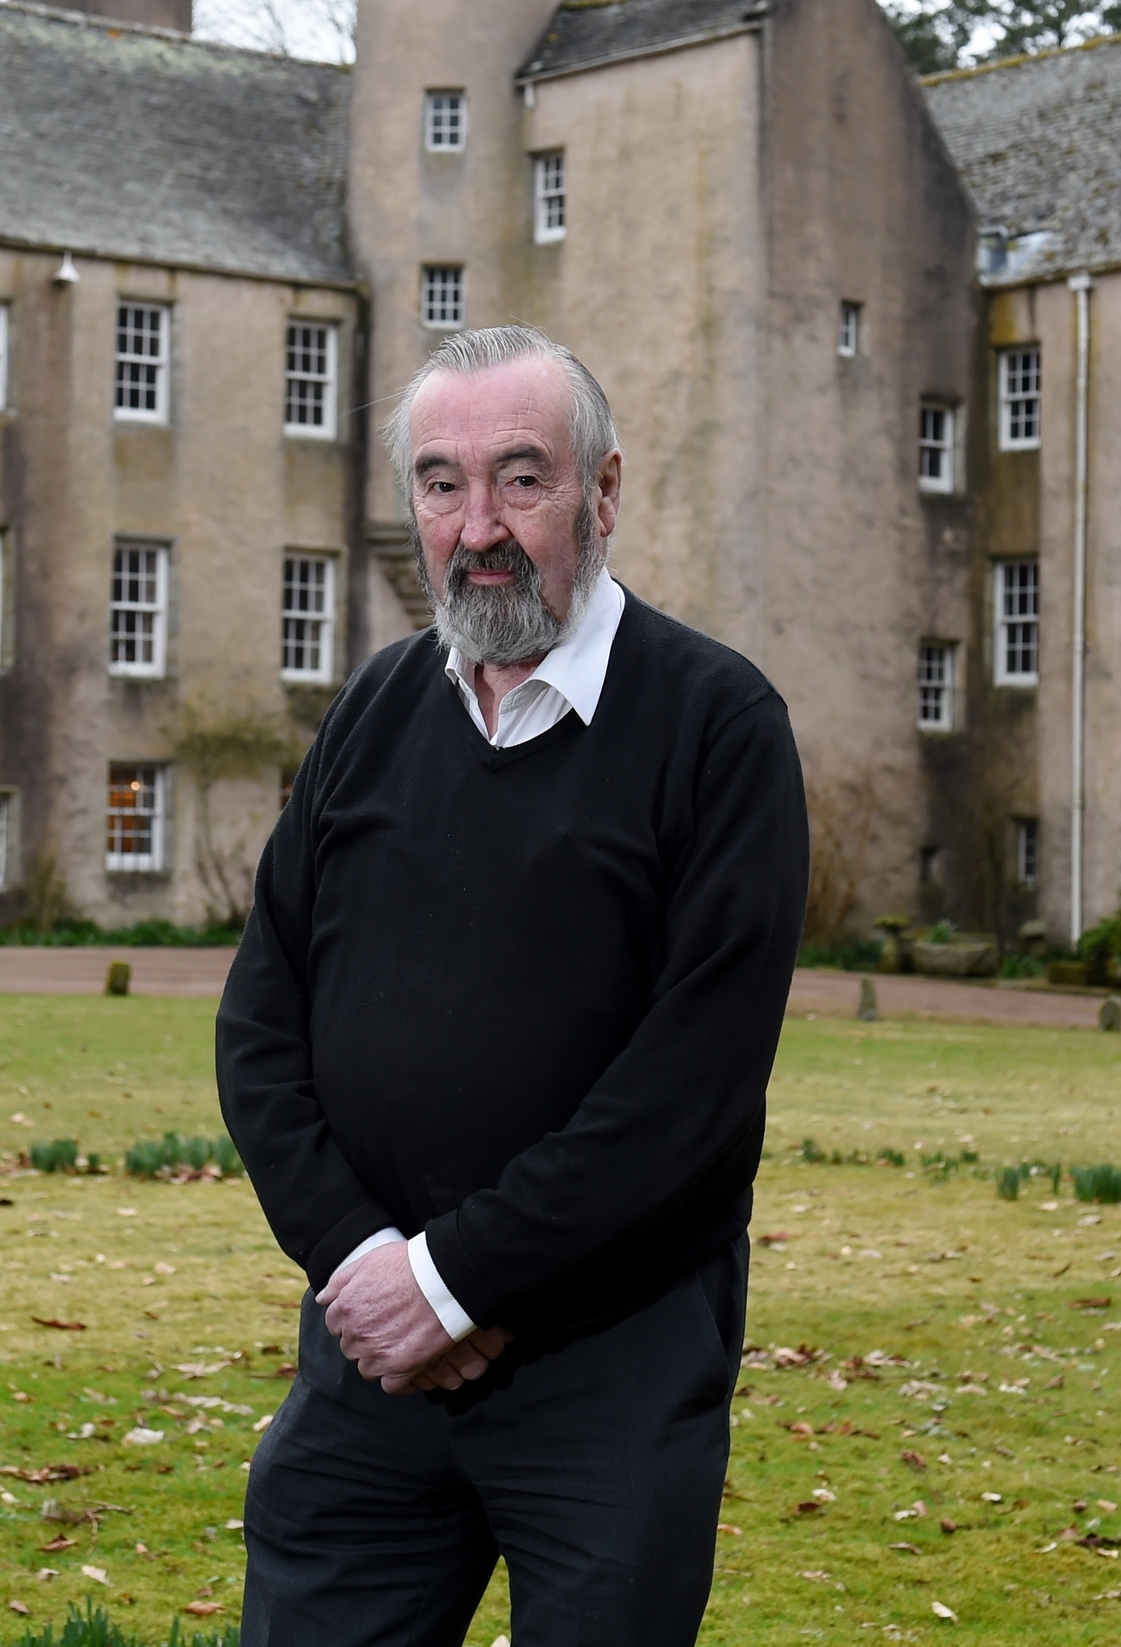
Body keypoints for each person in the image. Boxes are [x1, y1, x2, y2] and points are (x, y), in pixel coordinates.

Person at [216, 323, 809, 1644]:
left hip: (610, 1370)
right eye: (439, 482)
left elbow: (689, 1091)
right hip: (367, 1359)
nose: (475, 524)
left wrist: (455, 1283)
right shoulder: (372, 711)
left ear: (601, 493)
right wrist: (368, 1265)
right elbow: (263, 1024)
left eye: (520, 478)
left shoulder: (717, 729)